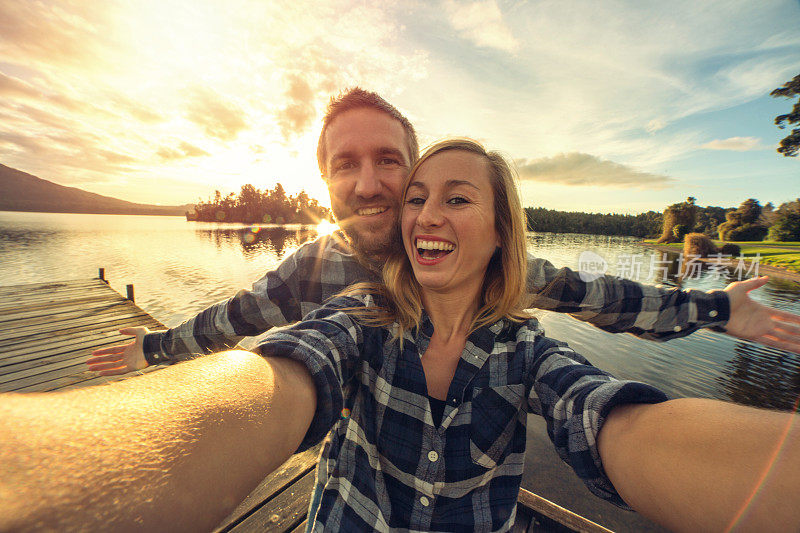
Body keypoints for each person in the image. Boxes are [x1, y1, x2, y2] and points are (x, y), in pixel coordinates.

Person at [3, 139, 799, 532]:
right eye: (419, 196)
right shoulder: (348, 299)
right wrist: (152, 359)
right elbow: (270, 354)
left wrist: (716, 312)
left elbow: (609, 342)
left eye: (455, 198)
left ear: (500, 230)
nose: (413, 208)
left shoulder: (526, 333)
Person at [87, 88, 800, 377]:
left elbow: (603, 297)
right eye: (346, 165)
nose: (368, 184)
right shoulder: (313, 269)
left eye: (389, 160)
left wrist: (715, 308)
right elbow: (232, 319)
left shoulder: (479, 262)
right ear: (325, 181)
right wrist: (154, 347)